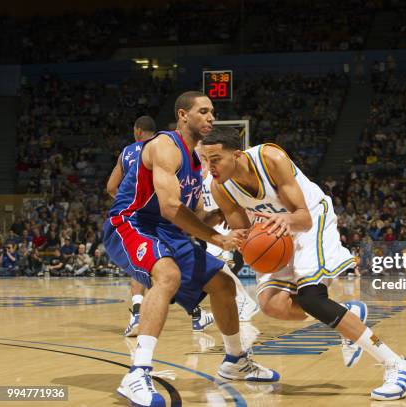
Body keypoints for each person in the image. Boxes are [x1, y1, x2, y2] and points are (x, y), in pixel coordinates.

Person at [201, 128, 406, 401]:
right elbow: (246, 235)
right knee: (272, 304)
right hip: (274, 231)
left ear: (236, 155)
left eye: (215, 159)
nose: (209, 167)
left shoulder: (270, 159)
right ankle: (346, 313)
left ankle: (398, 364)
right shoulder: (219, 187)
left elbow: (303, 217)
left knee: (312, 298)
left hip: (310, 220)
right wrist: (236, 238)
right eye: (205, 159)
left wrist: (286, 221)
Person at [103, 91, 278, 407]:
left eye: (212, 111)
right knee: (167, 275)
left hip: (168, 232)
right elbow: (170, 207)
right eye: (204, 111)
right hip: (131, 223)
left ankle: (236, 359)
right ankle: (137, 373)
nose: (211, 117)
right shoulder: (164, 147)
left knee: (223, 284)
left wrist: (222, 213)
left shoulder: (198, 161)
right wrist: (216, 237)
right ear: (183, 115)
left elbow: (192, 215)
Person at [106, 115, 214, 336]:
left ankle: (137, 315)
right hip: (167, 219)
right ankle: (196, 314)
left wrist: (130, 204)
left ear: (137, 131)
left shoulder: (128, 152)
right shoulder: (168, 147)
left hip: (137, 219)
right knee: (168, 270)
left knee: (149, 268)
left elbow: (110, 187)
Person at [197, 143, 259, 322]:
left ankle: (245, 302)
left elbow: (234, 197)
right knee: (214, 267)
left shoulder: (217, 174)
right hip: (210, 224)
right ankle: (243, 301)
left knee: (213, 264)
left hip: (223, 223)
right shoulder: (197, 174)